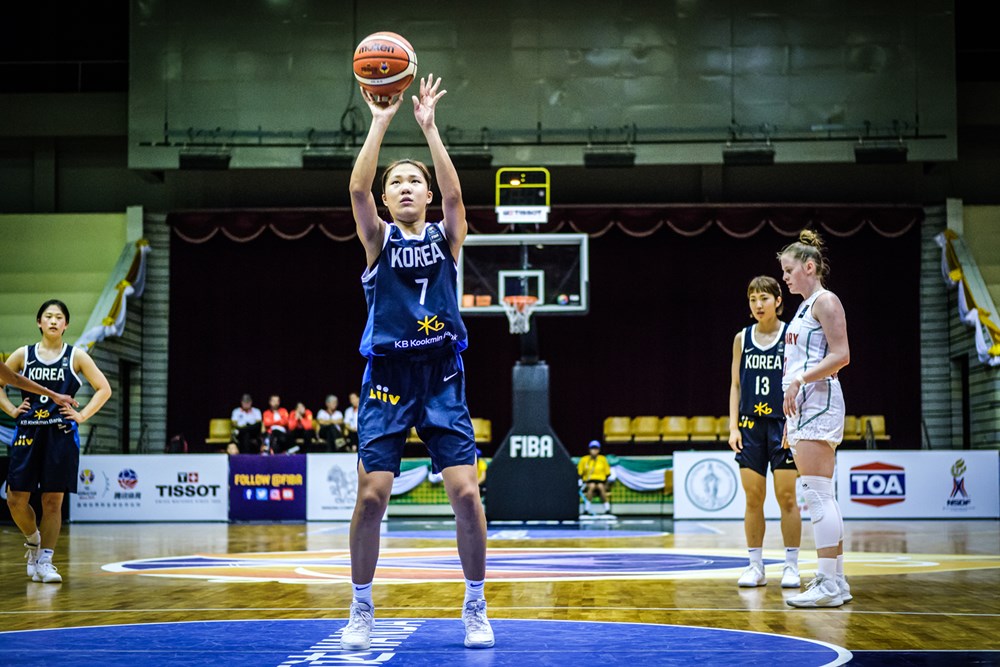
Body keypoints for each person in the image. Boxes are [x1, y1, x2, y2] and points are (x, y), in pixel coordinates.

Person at [340, 74, 493, 651]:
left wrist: (429, 129)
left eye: (415, 181)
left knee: (467, 495)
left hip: (442, 378)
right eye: (396, 182)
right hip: (386, 380)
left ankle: (475, 603)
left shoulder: (447, 238)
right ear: (386, 199)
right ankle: (360, 606)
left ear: (426, 196)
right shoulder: (378, 241)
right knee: (372, 495)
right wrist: (380, 121)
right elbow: (356, 192)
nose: (406, 187)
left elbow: (457, 199)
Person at [0, 299, 111, 584]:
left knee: (52, 502)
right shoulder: (24, 354)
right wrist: (11, 409)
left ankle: (46, 560)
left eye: (58, 317)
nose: (52, 321)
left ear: (66, 325)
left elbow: (104, 389)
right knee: (15, 499)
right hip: (27, 433)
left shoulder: (76, 356)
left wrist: (82, 415)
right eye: (47, 316)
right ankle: (33, 540)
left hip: (60, 434)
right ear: (39, 322)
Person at [778, 230, 852, 608]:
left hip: (818, 400)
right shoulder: (804, 306)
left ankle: (826, 582)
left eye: (790, 270)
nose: (785, 277)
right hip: (806, 404)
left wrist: (800, 381)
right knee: (824, 496)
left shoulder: (826, 301)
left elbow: (841, 355)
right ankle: (836, 581)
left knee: (819, 497)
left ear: (810, 267)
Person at [727, 276, 802, 589]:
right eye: (753, 299)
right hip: (750, 425)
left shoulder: (792, 335)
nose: (758, 305)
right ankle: (755, 566)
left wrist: (795, 425)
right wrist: (732, 425)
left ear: (778, 301)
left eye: (764, 298)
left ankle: (791, 566)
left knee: (787, 498)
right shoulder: (742, 339)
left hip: (782, 424)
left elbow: (802, 383)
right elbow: (735, 385)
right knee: (753, 499)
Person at [577, 440, 612, 514]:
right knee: (592, 486)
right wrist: (580, 481)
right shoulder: (584, 460)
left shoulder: (603, 459)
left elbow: (608, 473)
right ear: (589, 450)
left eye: (596, 449)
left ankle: (607, 509)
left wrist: (607, 484)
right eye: (592, 448)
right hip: (588, 481)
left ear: (599, 450)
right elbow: (579, 472)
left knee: (601, 487)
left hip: (600, 481)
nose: (594, 451)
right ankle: (587, 509)